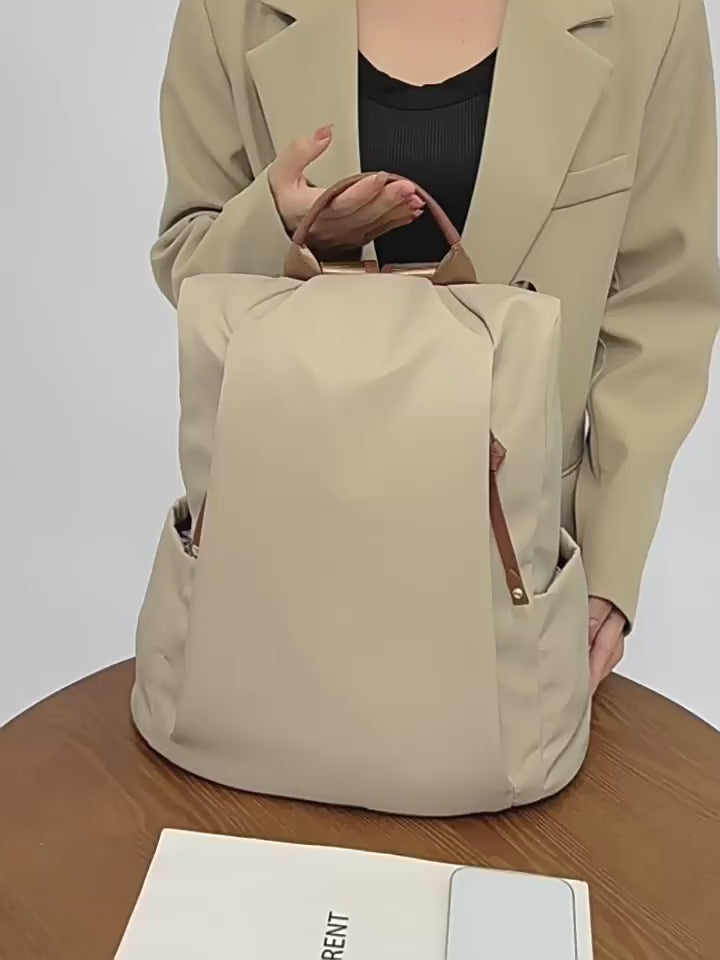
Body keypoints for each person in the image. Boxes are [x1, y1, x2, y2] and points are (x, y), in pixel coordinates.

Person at [150, 0, 720, 693]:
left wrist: (611, 561)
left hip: (515, 566)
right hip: (279, 548)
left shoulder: (650, 16)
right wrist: (286, 226)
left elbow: (662, 302)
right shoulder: (228, 11)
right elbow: (189, 262)